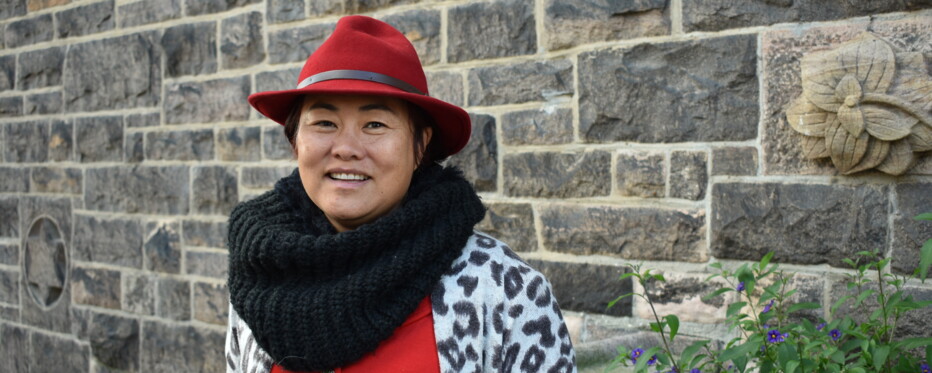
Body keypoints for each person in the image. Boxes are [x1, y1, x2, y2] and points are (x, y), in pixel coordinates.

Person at [225, 15, 576, 373]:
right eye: (324, 123)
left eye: (374, 124)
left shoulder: (506, 294)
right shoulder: (264, 276)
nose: (346, 148)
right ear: (295, 141)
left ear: (420, 146)